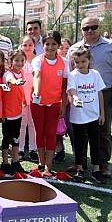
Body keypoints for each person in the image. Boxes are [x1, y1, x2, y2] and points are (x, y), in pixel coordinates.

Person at [67, 16, 112, 178]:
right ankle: (80, 163)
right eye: (86, 28)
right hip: (78, 95)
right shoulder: (73, 49)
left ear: (100, 27)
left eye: (93, 27)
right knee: (78, 131)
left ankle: (102, 163)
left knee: (103, 130)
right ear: (81, 30)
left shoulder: (111, 46)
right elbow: (68, 74)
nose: (90, 31)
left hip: (103, 93)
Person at [30, 31, 68, 177]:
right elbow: (37, 75)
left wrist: (63, 105)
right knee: (40, 132)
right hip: (37, 103)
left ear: (58, 45)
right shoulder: (37, 60)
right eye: (47, 44)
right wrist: (37, 91)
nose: (50, 47)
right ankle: (41, 162)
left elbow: (64, 86)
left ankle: (48, 167)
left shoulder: (63, 62)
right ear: (42, 45)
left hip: (54, 104)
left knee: (51, 134)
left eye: (54, 44)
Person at [67, 46, 106, 184]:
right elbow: (71, 90)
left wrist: (102, 113)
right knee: (79, 144)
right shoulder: (73, 75)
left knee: (95, 143)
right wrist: (75, 97)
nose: (80, 65)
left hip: (93, 116)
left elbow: (100, 93)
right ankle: (80, 169)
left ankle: (96, 170)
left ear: (89, 60)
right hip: (78, 117)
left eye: (83, 61)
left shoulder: (95, 74)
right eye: (77, 62)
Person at [1, 49, 28, 176]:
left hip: (18, 112)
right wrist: (15, 82)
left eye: (22, 60)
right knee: (7, 138)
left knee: (16, 138)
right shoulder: (8, 74)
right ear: (11, 62)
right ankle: (5, 162)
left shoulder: (22, 72)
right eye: (17, 60)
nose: (19, 63)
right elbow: (10, 79)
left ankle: (15, 161)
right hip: (7, 114)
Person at [18, 36, 38, 162]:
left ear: (34, 46)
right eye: (25, 45)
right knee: (21, 124)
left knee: (33, 124)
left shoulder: (38, 60)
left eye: (30, 45)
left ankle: (33, 149)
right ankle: (19, 149)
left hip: (34, 97)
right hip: (21, 98)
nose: (27, 47)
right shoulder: (19, 61)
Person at [54, 37, 73, 163]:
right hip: (55, 98)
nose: (64, 50)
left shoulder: (71, 62)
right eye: (62, 48)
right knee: (56, 127)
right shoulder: (54, 61)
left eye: (67, 48)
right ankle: (59, 149)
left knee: (69, 127)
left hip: (68, 99)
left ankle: (78, 156)